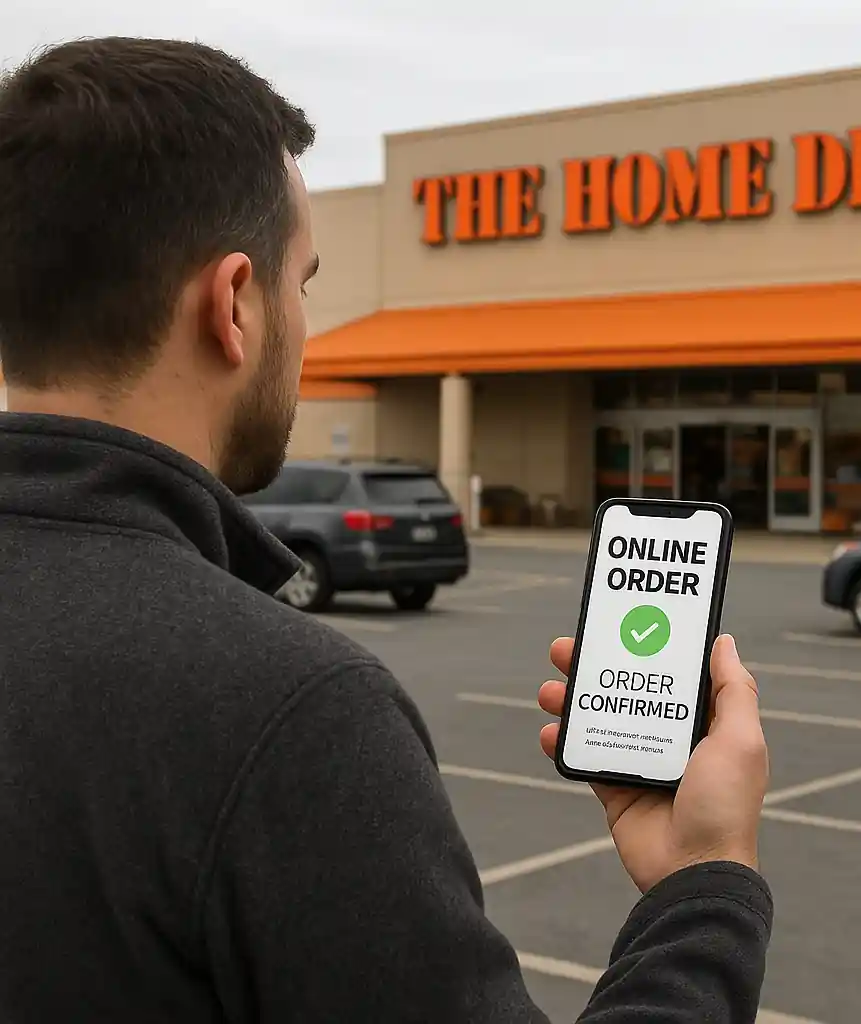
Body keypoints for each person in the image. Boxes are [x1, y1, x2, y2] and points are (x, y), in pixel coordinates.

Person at [0, 37, 773, 1023]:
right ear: (233, 303)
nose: (304, 322)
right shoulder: (284, 711)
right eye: (302, 283)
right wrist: (707, 884)